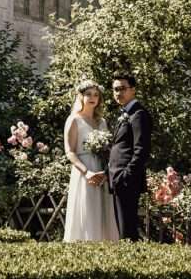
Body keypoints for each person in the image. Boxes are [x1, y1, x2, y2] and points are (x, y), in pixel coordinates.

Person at [63, 79, 119, 242]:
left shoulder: (102, 122)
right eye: (88, 94)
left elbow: (109, 149)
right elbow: (70, 151)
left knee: (104, 211)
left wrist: (107, 171)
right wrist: (87, 172)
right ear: (81, 96)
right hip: (84, 171)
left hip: (102, 171)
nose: (92, 97)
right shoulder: (74, 120)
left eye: (96, 94)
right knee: (87, 211)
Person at [108, 73, 152, 241]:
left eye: (122, 89)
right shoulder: (124, 113)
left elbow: (142, 150)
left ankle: (132, 263)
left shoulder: (138, 114)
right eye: (115, 90)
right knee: (123, 228)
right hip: (118, 178)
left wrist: (126, 175)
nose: (118, 93)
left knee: (127, 230)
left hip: (127, 179)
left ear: (133, 90)